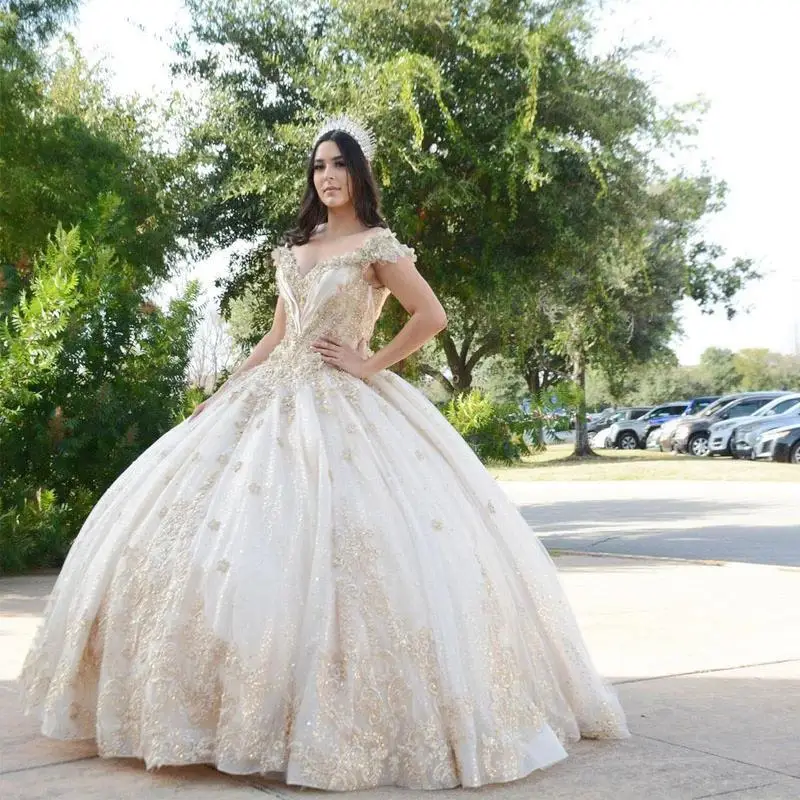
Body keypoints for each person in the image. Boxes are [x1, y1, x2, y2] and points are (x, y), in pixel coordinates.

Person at [19, 115, 628, 791]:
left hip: (346, 404)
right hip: (271, 399)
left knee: (358, 551)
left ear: (359, 174)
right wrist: (225, 391)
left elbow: (432, 317)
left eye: (339, 164)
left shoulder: (378, 244)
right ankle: (221, 714)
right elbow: (278, 335)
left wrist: (369, 366)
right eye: (318, 167)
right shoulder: (297, 245)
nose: (327, 176)